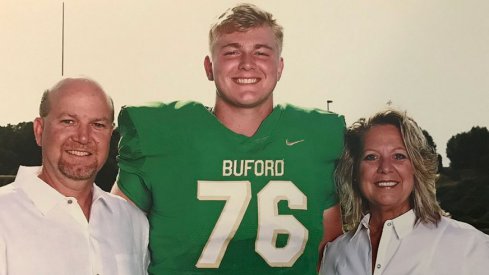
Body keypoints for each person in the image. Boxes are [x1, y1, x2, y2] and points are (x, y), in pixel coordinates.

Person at [111, 3, 344, 274]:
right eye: (232, 52)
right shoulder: (163, 134)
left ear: (279, 67)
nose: (247, 64)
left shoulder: (315, 137)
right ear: (209, 67)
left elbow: (328, 253)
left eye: (261, 52)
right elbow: (113, 238)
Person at [0, 78, 149, 275]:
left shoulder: (132, 221)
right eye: (68, 122)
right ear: (39, 130)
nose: (83, 137)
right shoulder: (4, 215)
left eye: (97, 124)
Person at [319, 109, 489, 275]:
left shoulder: (469, 246)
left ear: (416, 168)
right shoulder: (335, 254)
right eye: (371, 157)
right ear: (355, 171)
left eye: (399, 156)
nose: (385, 168)